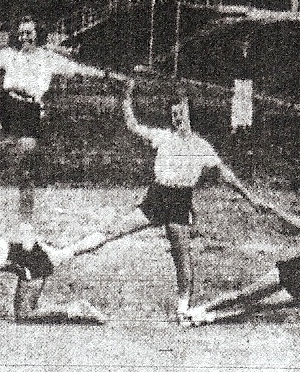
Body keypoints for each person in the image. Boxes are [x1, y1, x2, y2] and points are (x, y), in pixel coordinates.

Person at [57, 80, 266, 320]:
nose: (178, 118)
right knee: (112, 230)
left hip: (180, 201)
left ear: (191, 114)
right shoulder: (163, 137)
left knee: (181, 255)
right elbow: (132, 125)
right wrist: (126, 96)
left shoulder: (202, 146)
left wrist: (250, 196)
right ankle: (64, 254)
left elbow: (225, 174)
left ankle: (183, 309)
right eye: (174, 114)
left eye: (182, 113)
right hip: (156, 198)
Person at [0, 17, 122, 220]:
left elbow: (81, 70)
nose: (24, 37)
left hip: (29, 112)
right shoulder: (9, 54)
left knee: (26, 167)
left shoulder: (50, 58)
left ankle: (26, 222)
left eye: (29, 33)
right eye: (21, 33)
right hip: (7, 106)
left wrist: (112, 76)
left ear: (37, 34)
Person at [184, 208, 300, 332]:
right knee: (246, 294)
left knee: (260, 306)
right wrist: (277, 211)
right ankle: (199, 310)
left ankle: (209, 319)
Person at [0, 209, 107, 331]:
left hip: (32, 260)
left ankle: (77, 309)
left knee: (26, 315)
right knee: (69, 252)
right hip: (29, 256)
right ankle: (76, 309)